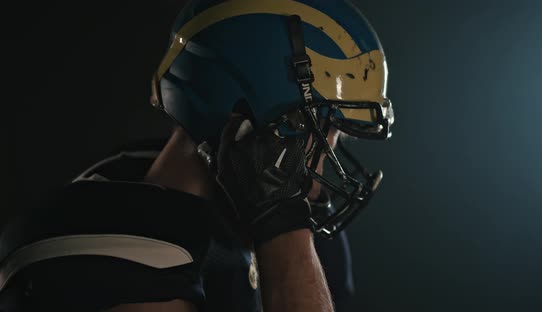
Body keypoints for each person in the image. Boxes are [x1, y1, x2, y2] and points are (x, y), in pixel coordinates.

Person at [0, 0, 394, 311]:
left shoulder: (290, 230)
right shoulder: (106, 242)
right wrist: (282, 230)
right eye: (325, 135)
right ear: (251, 126)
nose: (321, 177)